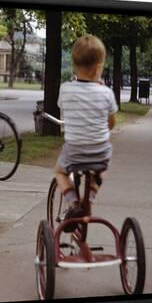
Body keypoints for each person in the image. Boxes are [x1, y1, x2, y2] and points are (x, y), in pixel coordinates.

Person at [55, 34, 118, 232]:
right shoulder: (106, 93)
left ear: (73, 65)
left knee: (59, 171)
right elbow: (111, 123)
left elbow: (64, 112)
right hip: (100, 151)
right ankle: (89, 197)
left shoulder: (65, 89)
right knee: (102, 169)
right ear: (100, 66)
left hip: (74, 151)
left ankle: (73, 203)